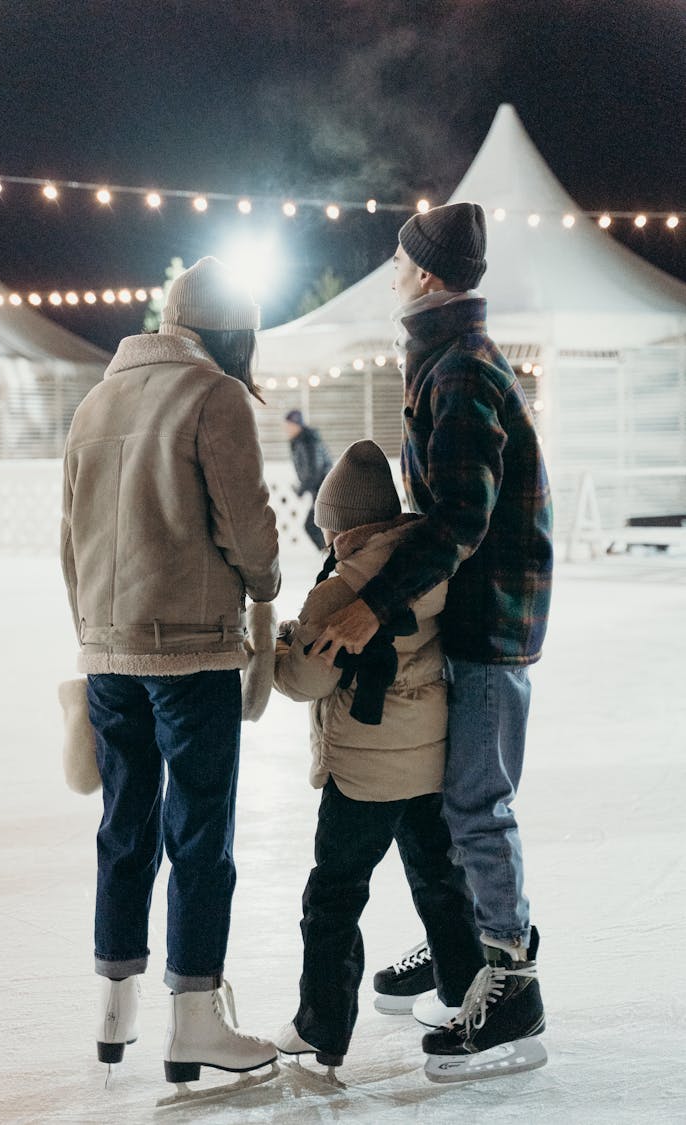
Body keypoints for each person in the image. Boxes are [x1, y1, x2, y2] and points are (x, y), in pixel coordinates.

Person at [308, 203, 554, 1080]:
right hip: (478, 617)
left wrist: (371, 605)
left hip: (491, 624)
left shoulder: (458, 372)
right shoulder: (451, 360)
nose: (392, 274)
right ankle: (471, 947)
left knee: (477, 804)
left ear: (423, 273)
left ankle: (510, 980)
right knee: (453, 796)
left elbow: (458, 519)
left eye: (400, 261)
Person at [60, 256, 281, 1087]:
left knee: (126, 826)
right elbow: (247, 524)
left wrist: (93, 634)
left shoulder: (96, 400)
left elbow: (67, 542)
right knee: (199, 835)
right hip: (191, 652)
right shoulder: (212, 395)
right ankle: (193, 1020)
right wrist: (263, 591)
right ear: (230, 328)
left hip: (109, 652)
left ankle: (115, 1007)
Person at [272, 440, 484, 1070]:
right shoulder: (427, 564)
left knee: (334, 894)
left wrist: (282, 643)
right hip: (429, 754)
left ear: (344, 525)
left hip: (363, 768)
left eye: (330, 527)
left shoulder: (340, 591)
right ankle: (464, 996)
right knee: (441, 881)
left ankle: (323, 1026)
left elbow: (305, 680)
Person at [284, 409, 332, 550]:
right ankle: (332, 557)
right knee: (317, 526)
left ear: (296, 425)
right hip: (320, 489)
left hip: (324, 489)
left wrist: (301, 489)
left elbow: (314, 471)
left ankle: (333, 558)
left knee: (312, 526)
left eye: (288, 425)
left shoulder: (308, 441)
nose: (286, 429)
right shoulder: (301, 441)